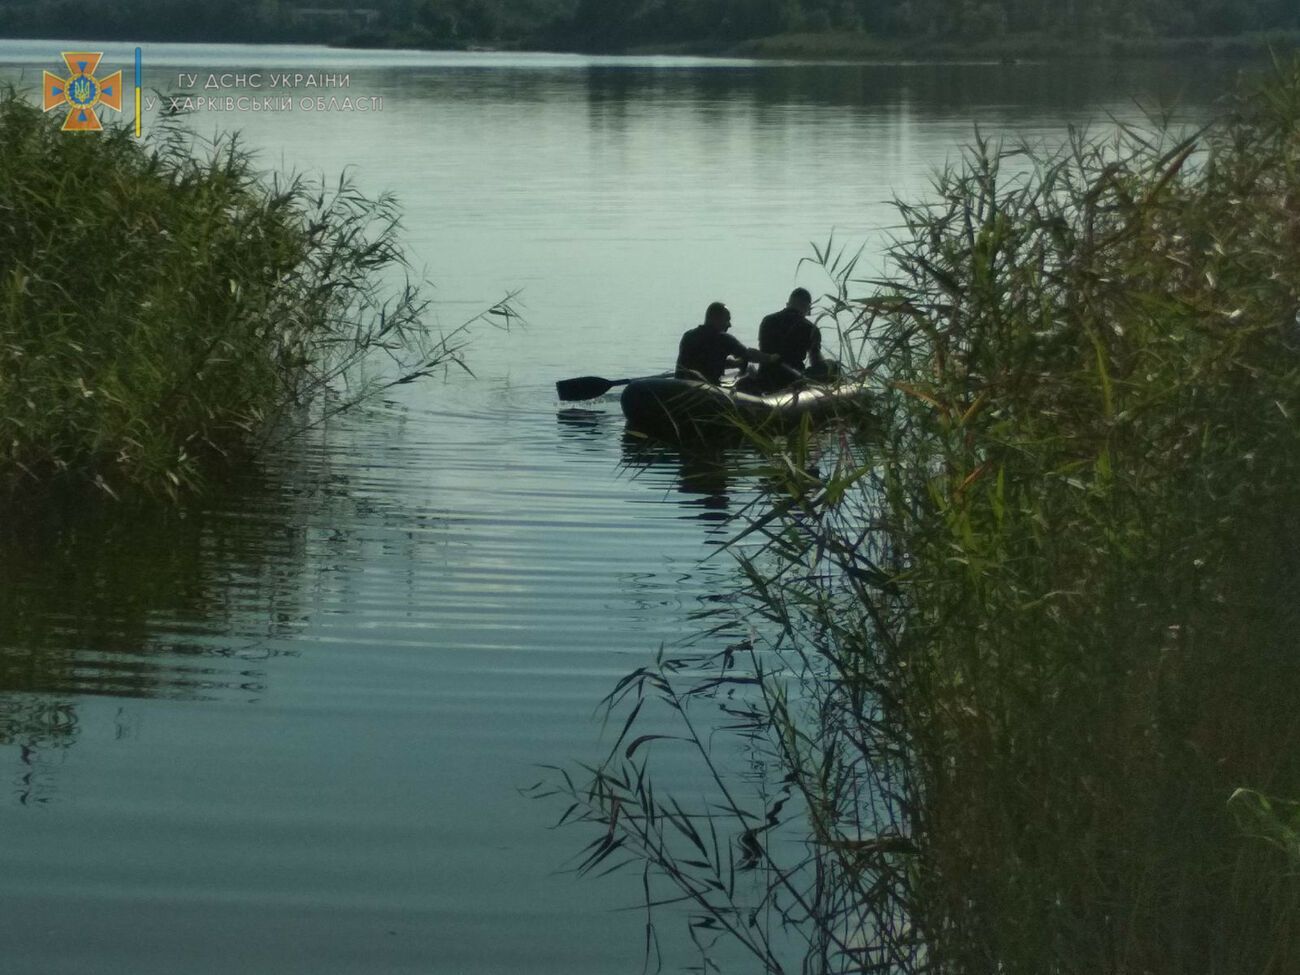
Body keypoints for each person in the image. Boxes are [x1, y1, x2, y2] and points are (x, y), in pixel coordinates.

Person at [675, 302, 776, 385]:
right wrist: (770, 358)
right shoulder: (723, 339)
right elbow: (749, 354)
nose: (729, 324)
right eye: (727, 320)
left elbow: (706, 361)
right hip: (704, 391)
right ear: (716, 319)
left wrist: (735, 364)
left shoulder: (688, 336)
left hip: (681, 385)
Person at [754, 287, 826, 391]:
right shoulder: (810, 328)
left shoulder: (767, 320)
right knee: (831, 366)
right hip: (792, 380)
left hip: (765, 377)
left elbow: (764, 348)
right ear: (808, 307)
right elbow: (816, 362)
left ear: (788, 304)